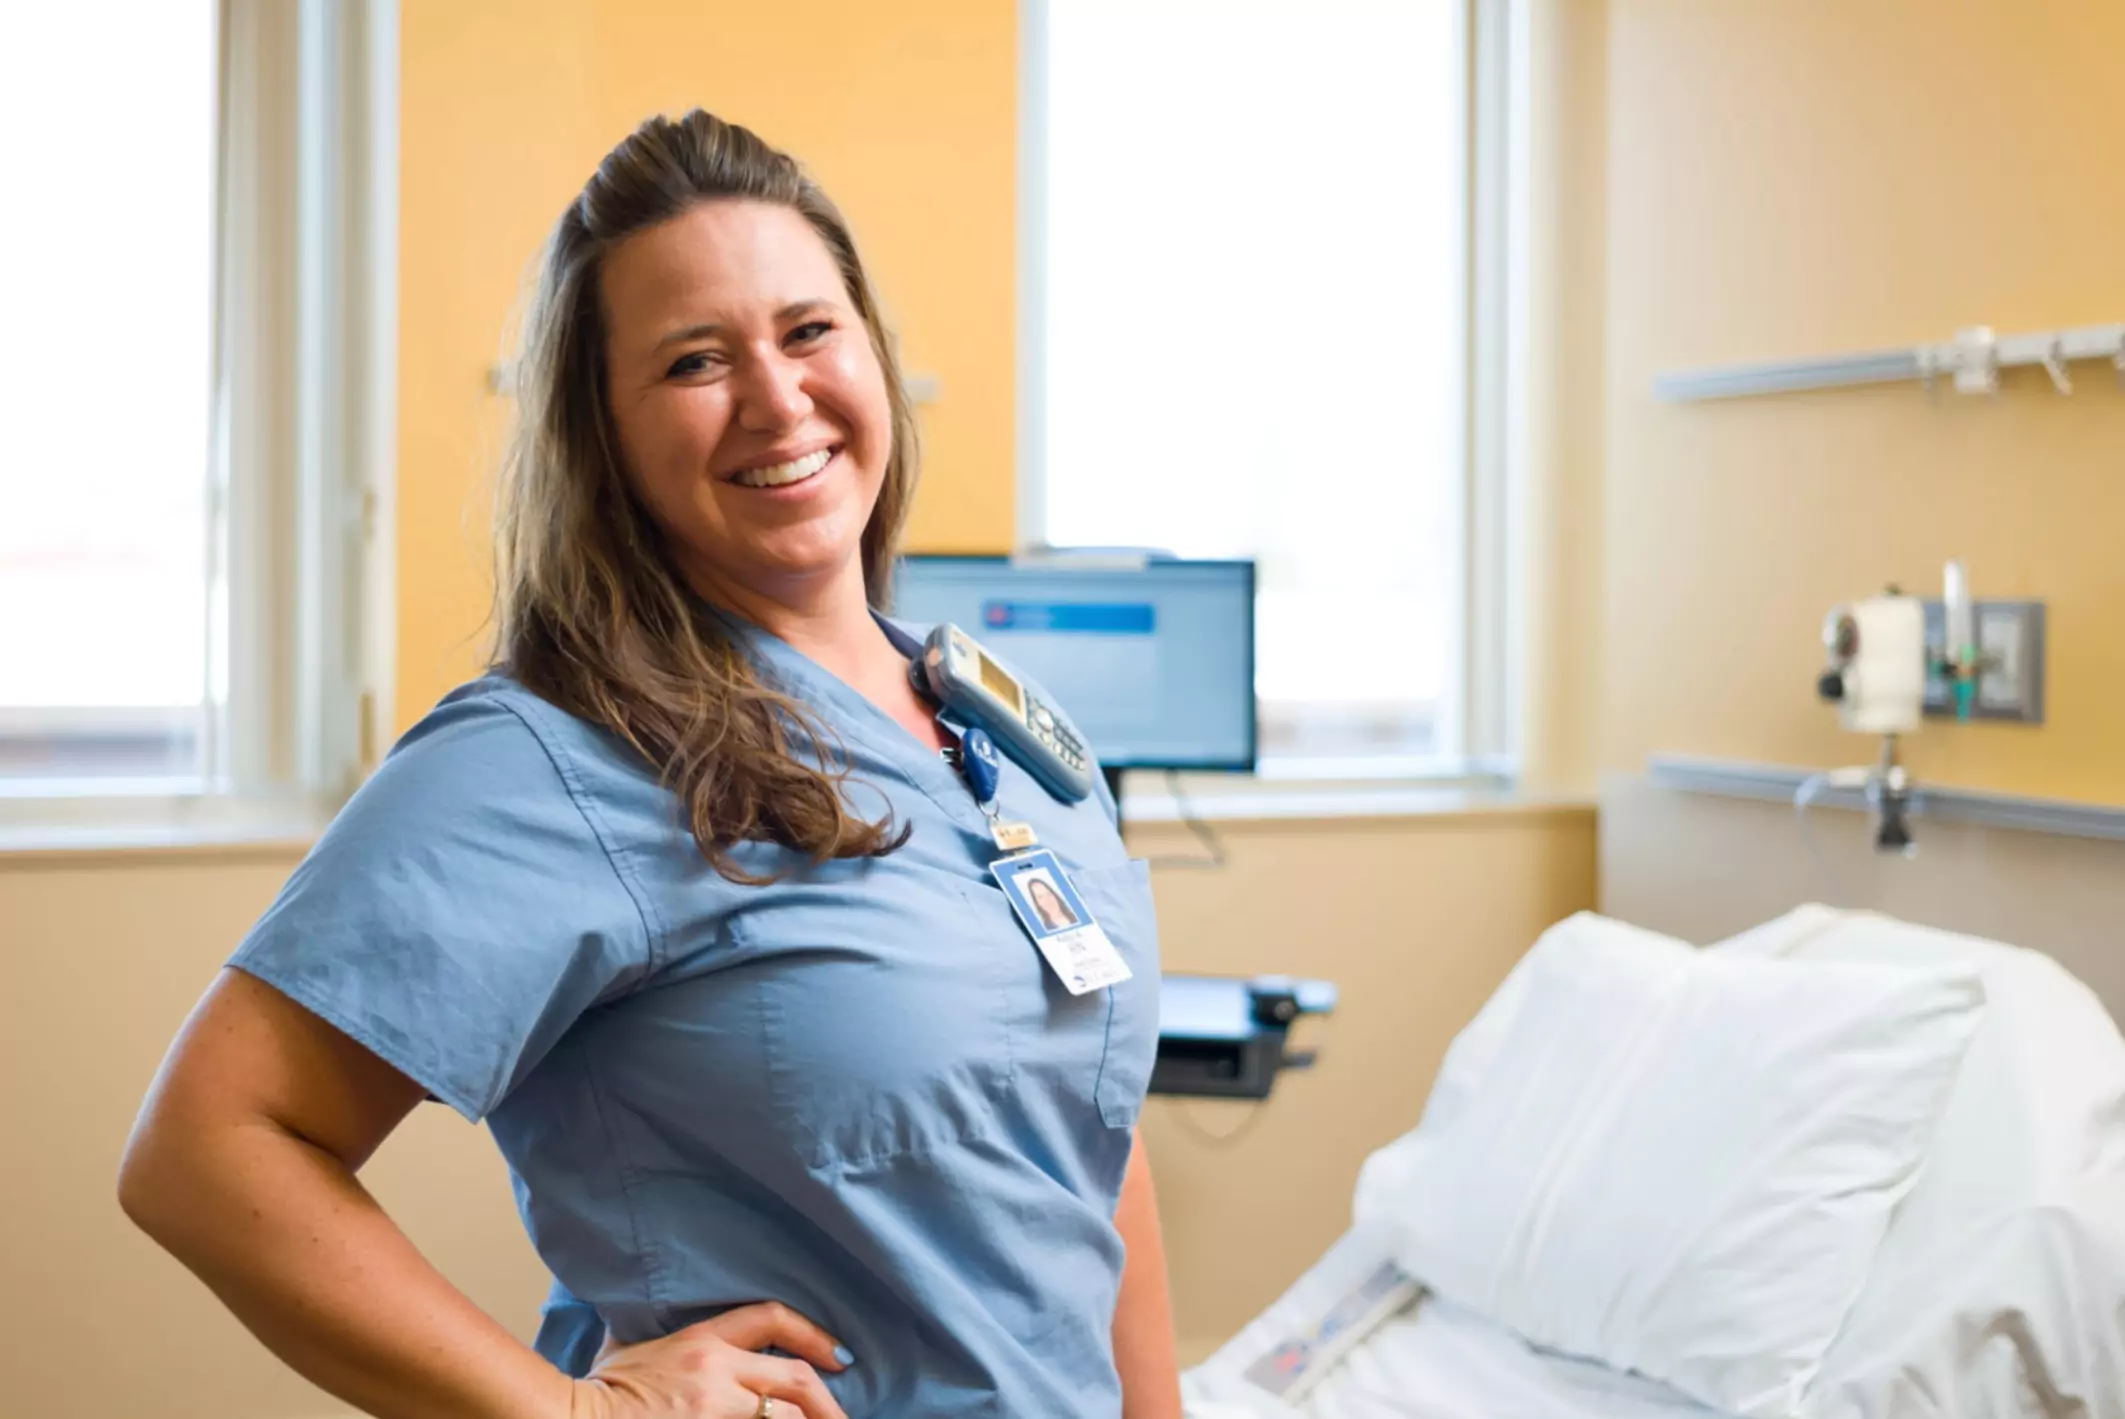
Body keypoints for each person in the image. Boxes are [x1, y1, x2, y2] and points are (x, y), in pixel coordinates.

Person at [117, 109, 1178, 1419]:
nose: (778, 398)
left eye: (808, 330)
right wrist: (566, 1411)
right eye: (693, 360)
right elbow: (206, 1147)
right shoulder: (555, 751)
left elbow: (1094, 1142)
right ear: (604, 433)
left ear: (873, 354)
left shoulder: (998, 728)